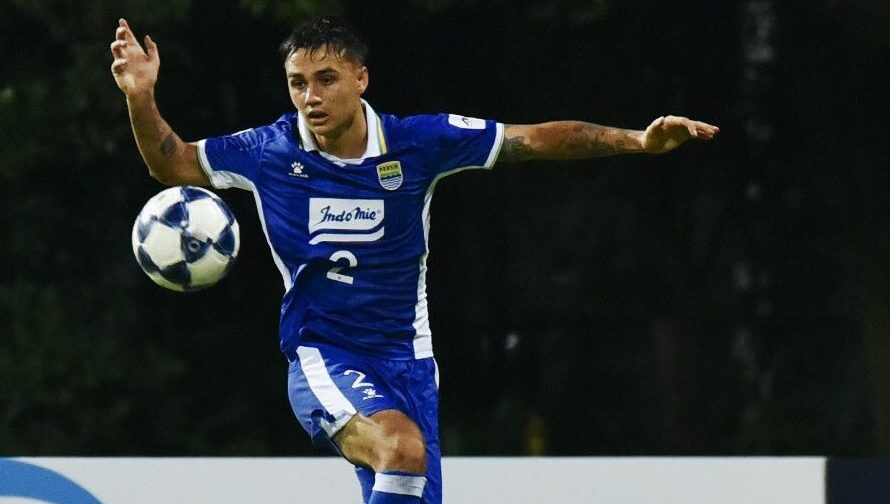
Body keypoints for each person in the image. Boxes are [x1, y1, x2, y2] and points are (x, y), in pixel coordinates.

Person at [110, 16, 718, 504]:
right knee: (400, 450)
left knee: (408, 469)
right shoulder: (268, 152)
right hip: (325, 353)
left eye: (326, 79)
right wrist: (141, 96)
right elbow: (173, 162)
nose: (310, 97)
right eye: (298, 83)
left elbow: (533, 139)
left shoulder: (417, 144)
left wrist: (638, 141)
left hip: (410, 363)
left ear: (361, 79)